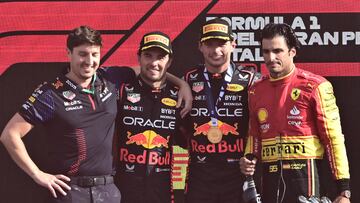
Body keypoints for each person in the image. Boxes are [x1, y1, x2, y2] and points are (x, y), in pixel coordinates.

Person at [0, 25, 192, 203]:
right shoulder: (51, 93)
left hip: (108, 190)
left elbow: (148, 70)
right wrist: (37, 174)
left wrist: (181, 84)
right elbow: (10, 134)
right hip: (70, 191)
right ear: (69, 53)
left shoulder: (111, 78)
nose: (89, 61)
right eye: (82, 54)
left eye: (94, 54)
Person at [240, 23, 351, 203]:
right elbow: (254, 135)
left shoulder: (316, 86)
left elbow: (333, 140)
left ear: (292, 52)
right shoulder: (255, 91)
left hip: (307, 179)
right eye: (266, 52)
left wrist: (344, 190)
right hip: (270, 180)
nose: (271, 57)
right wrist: (249, 158)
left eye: (277, 51)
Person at [181, 18, 258, 203]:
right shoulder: (188, 80)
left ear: (233, 44)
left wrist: (254, 157)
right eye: (209, 44)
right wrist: (180, 83)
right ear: (200, 46)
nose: (215, 51)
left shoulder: (249, 80)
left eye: (222, 44)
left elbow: (263, 126)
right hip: (200, 175)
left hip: (237, 174)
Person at [114, 31, 183, 203]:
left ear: (170, 62)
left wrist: (183, 85)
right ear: (139, 58)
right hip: (123, 191)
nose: (154, 63)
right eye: (148, 56)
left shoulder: (179, 97)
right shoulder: (121, 91)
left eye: (160, 57)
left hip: (162, 191)